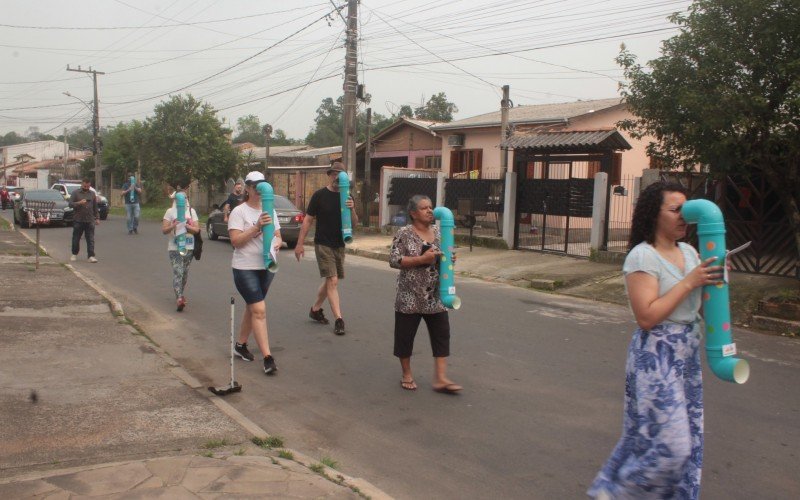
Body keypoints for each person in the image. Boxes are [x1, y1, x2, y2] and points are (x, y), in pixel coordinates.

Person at [587, 181, 723, 499]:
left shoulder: (689, 252)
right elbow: (647, 317)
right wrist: (690, 282)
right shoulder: (642, 257)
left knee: (683, 441)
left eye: (685, 210)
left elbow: (696, 307)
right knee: (672, 446)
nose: (683, 217)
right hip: (656, 354)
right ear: (653, 214)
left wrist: (713, 283)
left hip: (686, 354)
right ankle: (617, 492)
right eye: (676, 210)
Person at [388, 195, 462, 394]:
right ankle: (406, 374)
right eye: (424, 208)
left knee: (441, 336)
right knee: (405, 338)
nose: (430, 211)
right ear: (413, 213)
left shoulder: (440, 232)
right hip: (409, 296)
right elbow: (394, 260)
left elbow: (445, 258)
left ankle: (440, 378)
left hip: (435, 296)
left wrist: (449, 258)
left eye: (431, 207)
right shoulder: (404, 233)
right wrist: (421, 259)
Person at [294, 162, 358, 336]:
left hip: (340, 244)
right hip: (323, 243)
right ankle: (339, 319)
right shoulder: (319, 195)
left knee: (331, 280)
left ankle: (315, 309)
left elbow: (355, 224)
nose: (337, 177)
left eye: (341, 174)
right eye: (335, 173)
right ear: (329, 175)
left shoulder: (348, 196)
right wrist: (300, 244)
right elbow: (307, 220)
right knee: (333, 280)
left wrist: (352, 209)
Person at [228, 171, 282, 375]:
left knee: (253, 308)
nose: (260, 190)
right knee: (259, 309)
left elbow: (278, 235)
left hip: (267, 267)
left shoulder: (271, 210)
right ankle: (268, 358)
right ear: (248, 188)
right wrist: (257, 227)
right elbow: (235, 241)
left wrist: (277, 242)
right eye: (256, 186)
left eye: (263, 185)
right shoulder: (239, 212)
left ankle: (240, 344)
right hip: (245, 268)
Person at [161, 185, 200, 312]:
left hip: (189, 246)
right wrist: (173, 225)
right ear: (176, 199)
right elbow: (164, 230)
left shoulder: (191, 212)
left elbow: (197, 229)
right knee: (178, 271)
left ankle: (180, 293)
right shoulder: (170, 212)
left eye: (185, 197)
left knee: (185, 273)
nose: (183, 200)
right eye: (180, 198)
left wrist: (188, 227)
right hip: (174, 247)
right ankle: (179, 298)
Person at [69, 178, 100, 263]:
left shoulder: (92, 194)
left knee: (90, 238)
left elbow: (95, 207)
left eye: (88, 186)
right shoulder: (75, 193)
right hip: (78, 219)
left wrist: (97, 218)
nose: (86, 187)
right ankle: (74, 254)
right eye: (85, 185)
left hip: (89, 220)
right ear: (82, 184)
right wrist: (79, 203)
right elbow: (70, 204)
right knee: (76, 238)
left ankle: (91, 256)